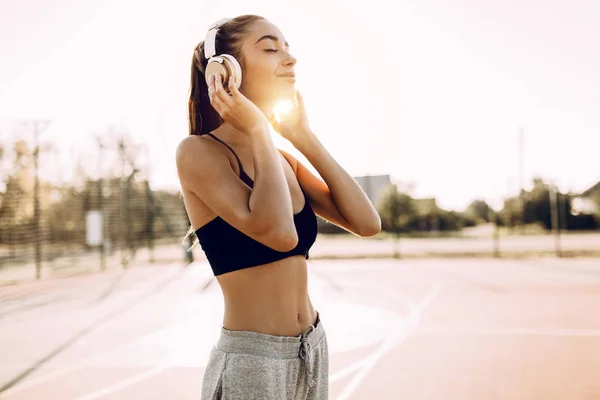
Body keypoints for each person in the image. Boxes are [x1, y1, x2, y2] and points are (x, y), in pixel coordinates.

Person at [175, 14, 381, 399]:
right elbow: (280, 235)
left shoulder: (283, 160)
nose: (290, 59)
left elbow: (367, 222)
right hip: (254, 362)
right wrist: (256, 128)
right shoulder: (198, 153)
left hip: (312, 349)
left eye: (287, 48)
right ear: (227, 68)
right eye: (270, 48)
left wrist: (304, 137)